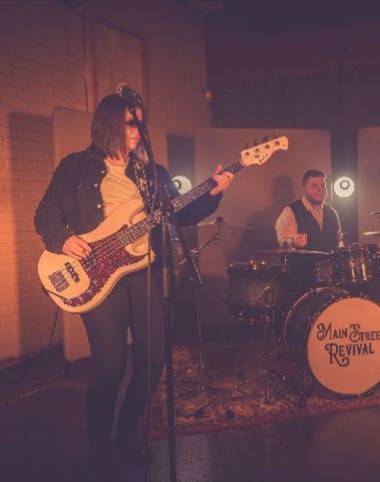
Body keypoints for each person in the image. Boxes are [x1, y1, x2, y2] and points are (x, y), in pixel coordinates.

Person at [34, 92, 234, 478]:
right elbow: (45, 215)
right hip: (95, 274)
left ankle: (126, 435)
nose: (138, 131)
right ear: (109, 122)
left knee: (153, 360)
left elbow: (180, 214)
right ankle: (99, 448)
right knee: (110, 364)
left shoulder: (151, 173)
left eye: (141, 123)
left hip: (143, 272)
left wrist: (213, 193)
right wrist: (64, 240)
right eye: (131, 123)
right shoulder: (75, 167)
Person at [274, 169, 343, 252]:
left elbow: (339, 242)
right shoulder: (290, 211)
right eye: (314, 186)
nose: (320, 189)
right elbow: (284, 244)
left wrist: (341, 245)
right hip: (302, 261)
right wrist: (294, 242)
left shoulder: (332, 212)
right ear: (304, 188)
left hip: (329, 261)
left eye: (322, 185)